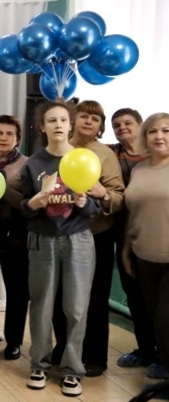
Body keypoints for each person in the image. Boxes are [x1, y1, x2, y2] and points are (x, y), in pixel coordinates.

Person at [20, 100, 99, 397]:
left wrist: (84, 202)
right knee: (41, 304)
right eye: (51, 120)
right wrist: (33, 203)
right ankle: (39, 364)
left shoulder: (84, 159)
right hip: (42, 239)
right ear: (42, 127)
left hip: (78, 239)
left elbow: (95, 207)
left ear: (70, 124)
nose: (57, 125)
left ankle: (72, 369)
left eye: (63, 120)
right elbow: (24, 208)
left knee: (76, 307)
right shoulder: (33, 164)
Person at [52, 100, 125, 377]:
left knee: (94, 299)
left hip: (95, 237)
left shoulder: (105, 155)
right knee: (60, 297)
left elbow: (118, 198)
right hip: (58, 235)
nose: (89, 122)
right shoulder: (57, 148)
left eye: (95, 119)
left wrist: (102, 193)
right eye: (84, 116)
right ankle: (64, 347)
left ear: (100, 127)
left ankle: (94, 356)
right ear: (73, 119)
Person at [108, 109, 161, 376]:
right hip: (129, 237)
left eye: (128, 123)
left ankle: (163, 356)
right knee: (137, 298)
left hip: (159, 237)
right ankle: (146, 351)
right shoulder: (113, 155)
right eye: (116, 125)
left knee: (162, 306)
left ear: (140, 126)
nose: (122, 128)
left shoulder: (157, 156)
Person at [123, 112, 169, 387]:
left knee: (166, 319)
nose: (159, 136)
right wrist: (126, 249)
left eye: (166, 130)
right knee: (155, 318)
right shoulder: (138, 170)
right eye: (153, 131)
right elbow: (133, 212)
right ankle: (165, 370)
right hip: (144, 256)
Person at [0, 115, 29, 360]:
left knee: (17, 291)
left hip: (16, 234)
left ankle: (14, 341)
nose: (3, 138)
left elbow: (28, 203)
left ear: (17, 139)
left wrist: (2, 188)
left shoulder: (26, 164)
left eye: (9, 134)